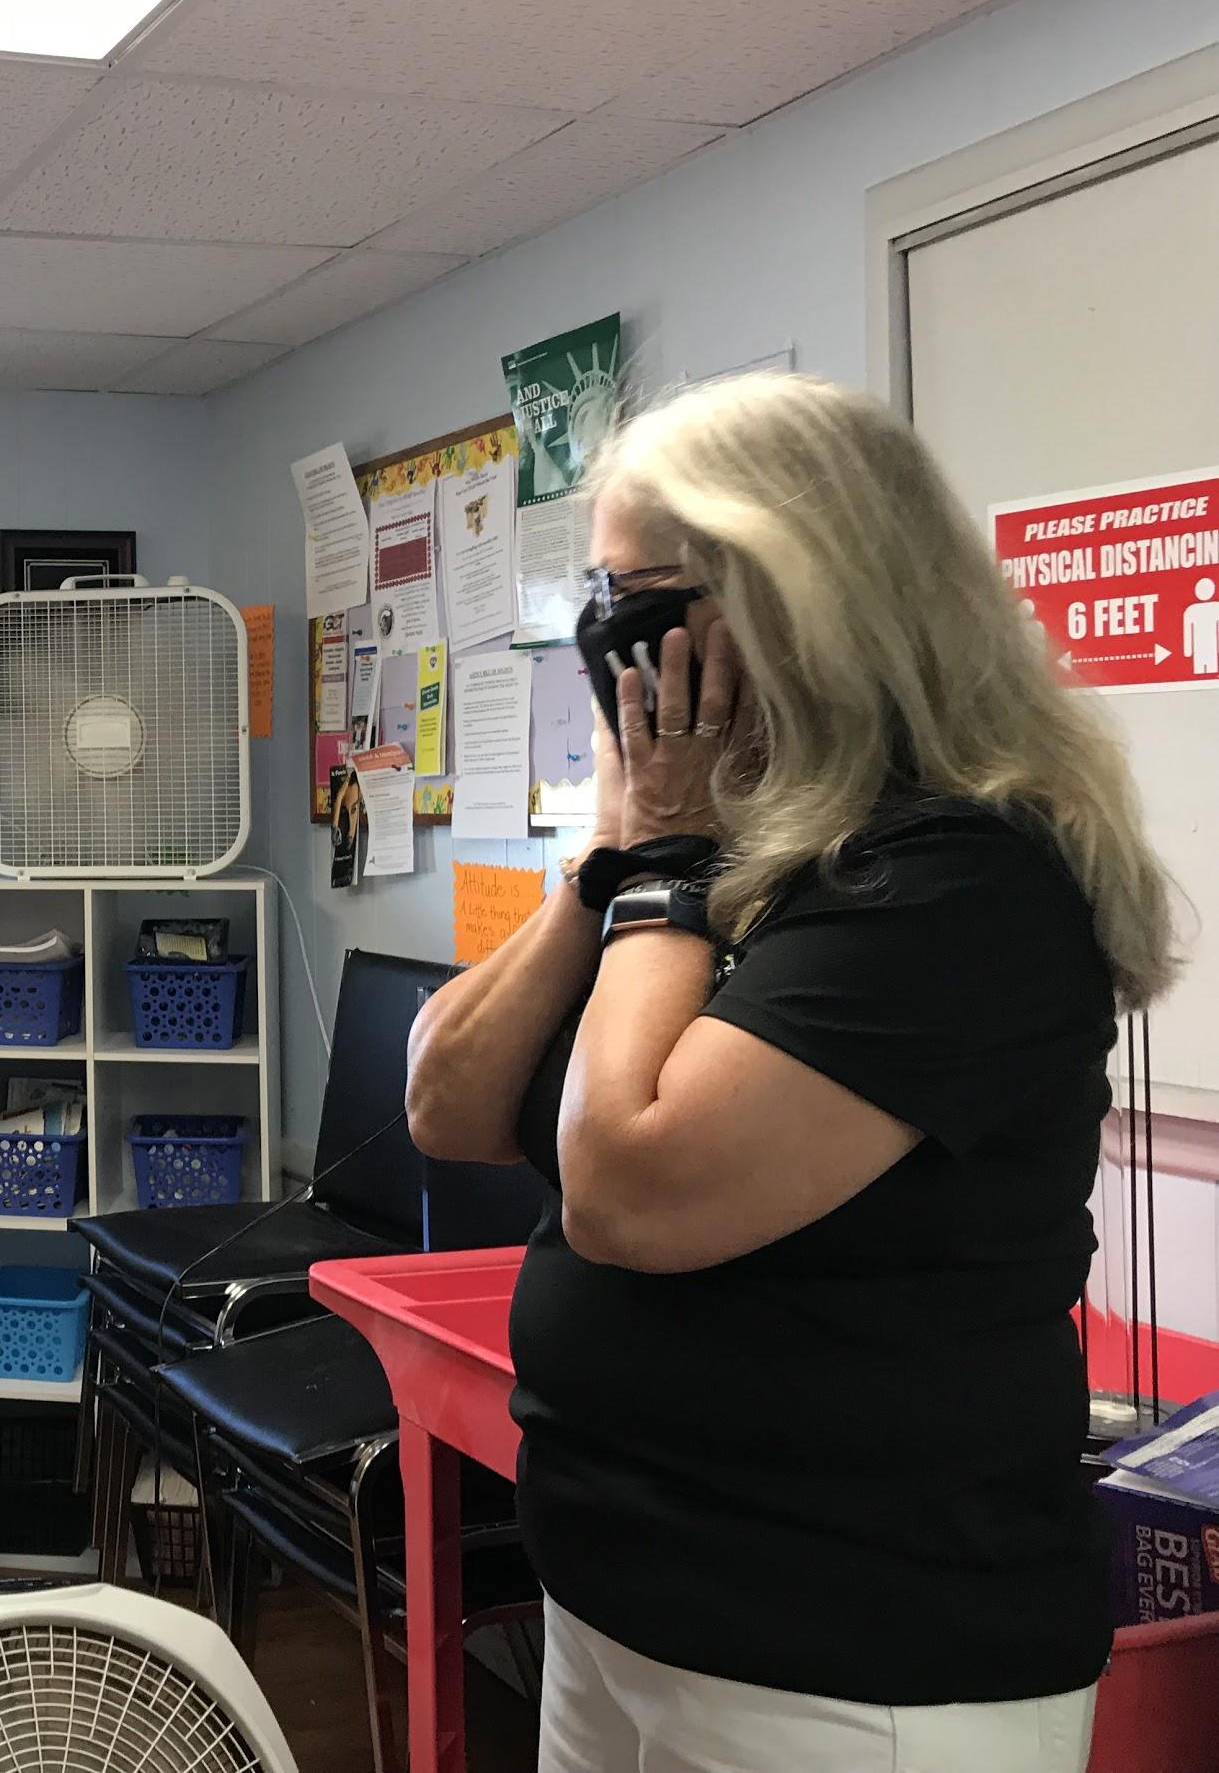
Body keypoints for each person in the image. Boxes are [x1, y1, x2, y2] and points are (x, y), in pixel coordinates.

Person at [407, 373, 1174, 1773]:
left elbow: (631, 1189)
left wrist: (671, 860)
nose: (612, 655)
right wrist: (616, 857)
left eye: (640, 604)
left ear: (795, 601)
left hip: (851, 1658)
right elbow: (447, 1100)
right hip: (614, 1607)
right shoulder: (697, 860)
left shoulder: (959, 881)